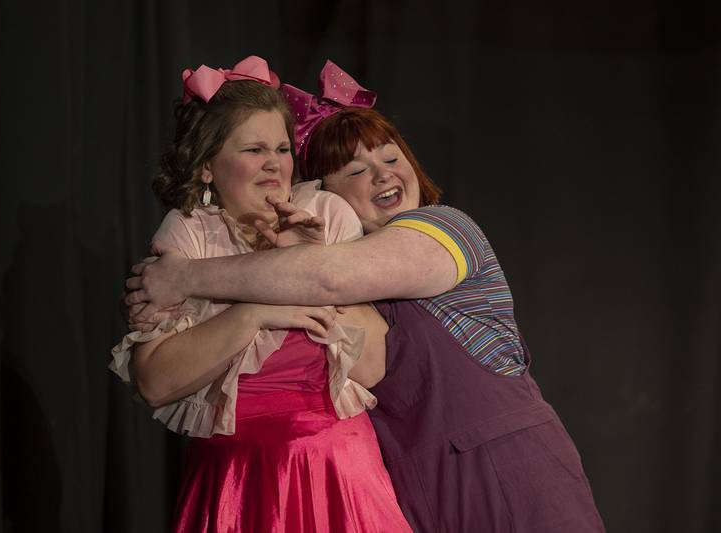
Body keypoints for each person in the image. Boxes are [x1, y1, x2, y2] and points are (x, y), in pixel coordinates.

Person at [125, 60, 606, 532]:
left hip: (504, 471)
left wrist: (183, 278)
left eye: (392, 158)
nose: (383, 176)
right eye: (356, 170)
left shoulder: (445, 227)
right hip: (411, 485)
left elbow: (327, 279)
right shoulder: (300, 242)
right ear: (322, 190)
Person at [110, 56, 411, 532]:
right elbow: (156, 382)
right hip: (237, 484)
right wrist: (254, 312)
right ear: (207, 166)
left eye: (283, 148)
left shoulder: (325, 214)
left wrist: (305, 268)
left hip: (337, 472)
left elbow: (373, 368)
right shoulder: (188, 233)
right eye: (253, 149)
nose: (275, 163)